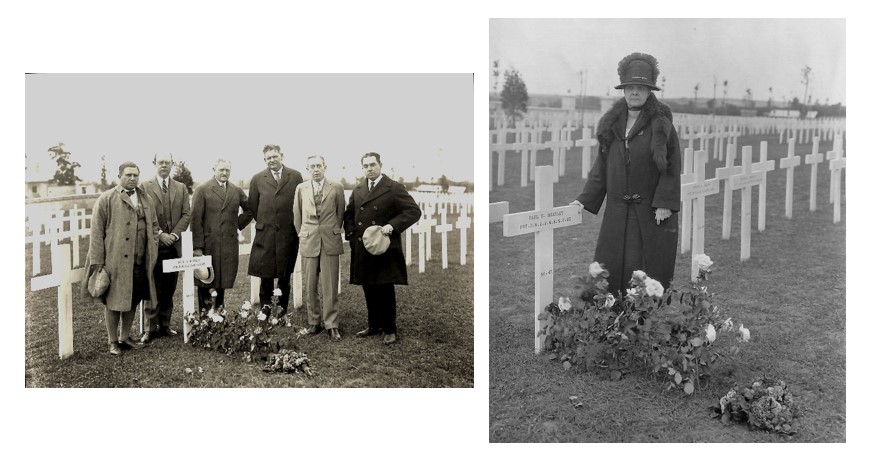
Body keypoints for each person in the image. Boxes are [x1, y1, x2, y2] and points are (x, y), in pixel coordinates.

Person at [571, 52, 681, 295]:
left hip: (651, 211)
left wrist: (665, 202)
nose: (635, 92)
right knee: (611, 265)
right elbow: (602, 165)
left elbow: (672, 165)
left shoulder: (661, 123)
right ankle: (611, 315)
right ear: (623, 89)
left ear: (650, 90)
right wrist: (584, 198)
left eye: (641, 87)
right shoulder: (612, 124)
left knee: (643, 265)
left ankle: (643, 320)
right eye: (630, 87)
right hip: (618, 211)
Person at [82, 162, 160, 355]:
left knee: (132, 299)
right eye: (128, 175)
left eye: (135, 175)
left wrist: (153, 247)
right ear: (119, 176)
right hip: (115, 262)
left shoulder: (146, 198)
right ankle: (112, 340)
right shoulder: (106, 199)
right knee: (113, 301)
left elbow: (154, 227)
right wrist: (98, 262)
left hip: (139, 260)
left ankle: (125, 337)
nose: (132, 178)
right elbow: (96, 233)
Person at [344, 152, 421, 345]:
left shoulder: (393, 188)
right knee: (368, 285)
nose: (369, 168)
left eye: (372, 164)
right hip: (364, 245)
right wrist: (353, 236)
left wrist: (393, 225)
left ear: (380, 165)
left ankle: (389, 328)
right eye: (365, 166)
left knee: (384, 286)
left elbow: (413, 211)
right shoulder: (359, 188)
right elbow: (349, 214)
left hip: (384, 245)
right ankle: (374, 324)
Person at [139, 153, 191, 343]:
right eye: (160, 162)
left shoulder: (181, 187)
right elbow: (143, 215)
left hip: (173, 246)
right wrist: (160, 234)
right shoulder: (144, 186)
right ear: (154, 164)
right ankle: (149, 328)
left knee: (169, 286)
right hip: (154, 244)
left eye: (167, 163)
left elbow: (186, 214)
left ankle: (165, 325)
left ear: (172, 164)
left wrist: (174, 235)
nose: (164, 166)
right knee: (152, 286)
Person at [293, 155, 345, 341]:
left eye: (319, 166)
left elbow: (340, 214)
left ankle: (332, 324)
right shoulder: (301, 188)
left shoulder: (336, 187)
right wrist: (304, 233)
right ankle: (314, 322)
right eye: (312, 166)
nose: (316, 169)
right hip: (309, 240)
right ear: (307, 169)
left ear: (325, 167)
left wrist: (330, 231)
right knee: (311, 284)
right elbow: (297, 216)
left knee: (330, 285)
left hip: (329, 241)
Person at [248, 144, 303, 316]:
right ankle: (265, 310)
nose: (271, 160)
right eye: (268, 158)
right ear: (264, 160)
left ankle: (280, 311)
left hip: (288, 235)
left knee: (285, 276)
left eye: (274, 156)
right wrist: (267, 222)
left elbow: (300, 202)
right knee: (266, 276)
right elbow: (253, 206)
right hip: (266, 235)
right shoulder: (257, 179)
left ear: (282, 156)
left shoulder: (295, 176)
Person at [190, 159, 253, 310]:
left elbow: (250, 209)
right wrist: (197, 247)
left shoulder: (236, 190)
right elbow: (195, 219)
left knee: (222, 280)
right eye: (221, 170)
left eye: (227, 170)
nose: (224, 173)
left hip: (228, 245)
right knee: (206, 280)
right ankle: (205, 317)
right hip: (208, 244)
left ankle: (219, 314)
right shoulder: (202, 189)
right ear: (214, 169)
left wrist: (236, 224)